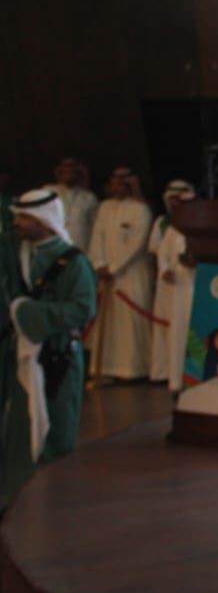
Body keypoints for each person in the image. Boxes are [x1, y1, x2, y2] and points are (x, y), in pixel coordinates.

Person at [0, 189, 96, 508]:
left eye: (24, 217)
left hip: (58, 357)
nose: (17, 223)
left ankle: (54, 501)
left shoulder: (73, 262)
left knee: (56, 425)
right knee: (20, 427)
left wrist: (26, 312)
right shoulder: (17, 254)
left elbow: (82, 309)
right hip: (21, 355)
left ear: (43, 221)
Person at [86, 167, 154, 382]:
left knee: (131, 320)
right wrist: (99, 264)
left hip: (131, 274)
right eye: (113, 182)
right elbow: (96, 237)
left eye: (122, 183)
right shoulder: (104, 207)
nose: (116, 187)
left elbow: (137, 243)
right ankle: (106, 370)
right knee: (109, 323)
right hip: (106, 273)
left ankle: (135, 370)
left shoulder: (140, 209)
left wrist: (114, 267)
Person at [147, 180, 197, 389]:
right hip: (177, 288)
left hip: (195, 287)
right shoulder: (171, 229)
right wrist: (165, 269)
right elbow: (162, 254)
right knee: (176, 334)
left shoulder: (202, 226)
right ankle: (176, 380)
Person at [46, 157, 99, 251]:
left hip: (79, 246)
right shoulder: (48, 191)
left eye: (72, 168)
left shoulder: (89, 197)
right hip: (54, 246)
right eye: (65, 167)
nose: (69, 171)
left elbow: (95, 226)